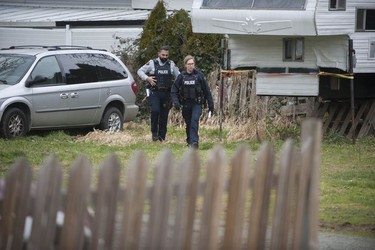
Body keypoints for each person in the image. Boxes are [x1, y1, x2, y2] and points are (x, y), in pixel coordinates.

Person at [137, 46, 180, 141]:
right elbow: (140, 71)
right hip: (154, 92)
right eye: (163, 55)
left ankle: (162, 137)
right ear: (159, 54)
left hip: (166, 93)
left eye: (166, 55)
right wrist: (147, 78)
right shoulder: (152, 63)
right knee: (155, 111)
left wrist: (175, 87)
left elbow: (179, 76)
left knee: (164, 115)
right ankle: (154, 132)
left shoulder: (171, 64)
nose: (165, 57)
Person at [171, 55, 214, 149]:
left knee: (194, 121)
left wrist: (211, 105)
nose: (191, 66)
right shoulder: (181, 76)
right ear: (185, 65)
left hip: (197, 103)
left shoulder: (199, 76)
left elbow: (207, 91)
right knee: (189, 123)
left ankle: (194, 142)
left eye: (192, 64)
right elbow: (174, 90)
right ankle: (190, 141)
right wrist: (176, 102)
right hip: (185, 104)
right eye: (189, 64)